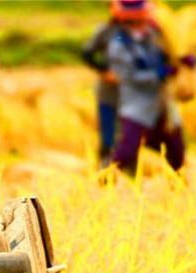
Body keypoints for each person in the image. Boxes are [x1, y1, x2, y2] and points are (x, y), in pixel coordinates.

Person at [106, 0, 187, 173]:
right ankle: (103, 180)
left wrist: (182, 60)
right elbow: (129, 76)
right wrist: (160, 73)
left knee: (177, 153)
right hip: (138, 107)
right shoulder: (119, 41)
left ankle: (179, 188)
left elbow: (169, 54)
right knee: (126, 151)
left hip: (163, 105)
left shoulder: (155, 35)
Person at [80, 2, 126, 166]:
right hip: (109, 93)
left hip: (135, 95)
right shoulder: (106, 31)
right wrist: (104, 71)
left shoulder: (144, 32)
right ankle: (104, 169)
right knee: (108, 135)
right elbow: (87, 53)